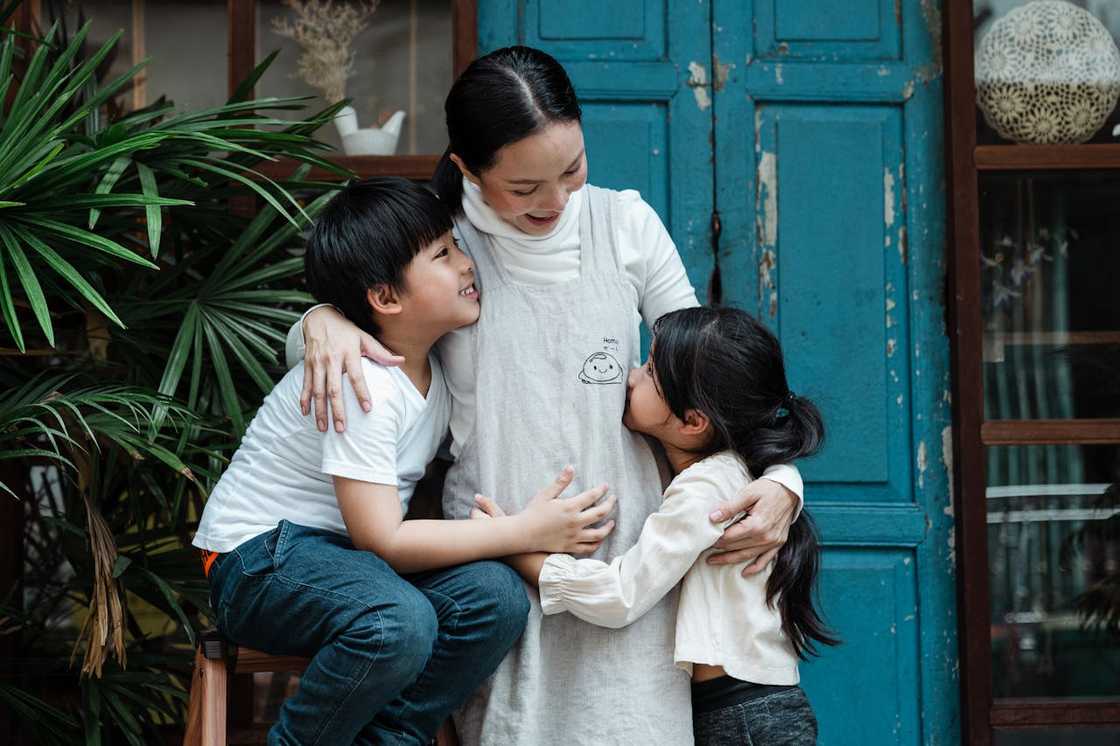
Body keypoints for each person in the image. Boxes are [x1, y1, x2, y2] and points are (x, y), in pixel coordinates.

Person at [287, 47, 807, 745]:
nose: (555, 201)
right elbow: (349, 344)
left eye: (572, 169)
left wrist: (782, 480)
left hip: (629, 571)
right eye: (525, 186)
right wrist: (318, 322)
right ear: (467, 169)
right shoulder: (444, 252)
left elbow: (708, 375)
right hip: (502, 571)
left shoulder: (624, 225)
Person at [193, 178, 616, 745]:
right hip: (256, 560)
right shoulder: (363, 380)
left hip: (341, 561)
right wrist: (524, 531)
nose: (467, 265)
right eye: (443, 254)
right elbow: (382, 538)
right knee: (397, 621)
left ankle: (387, 739)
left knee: (494, 597)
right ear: (386, 299)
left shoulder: (432, 371)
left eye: (457, 246)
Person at [477, 307, 839, 745]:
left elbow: (620, 594)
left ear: (692, 422)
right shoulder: (731, 473)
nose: (630, 377)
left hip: (742, 718)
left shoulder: (705, 491)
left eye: (648, 371)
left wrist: (514, 546)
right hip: (749, 708)